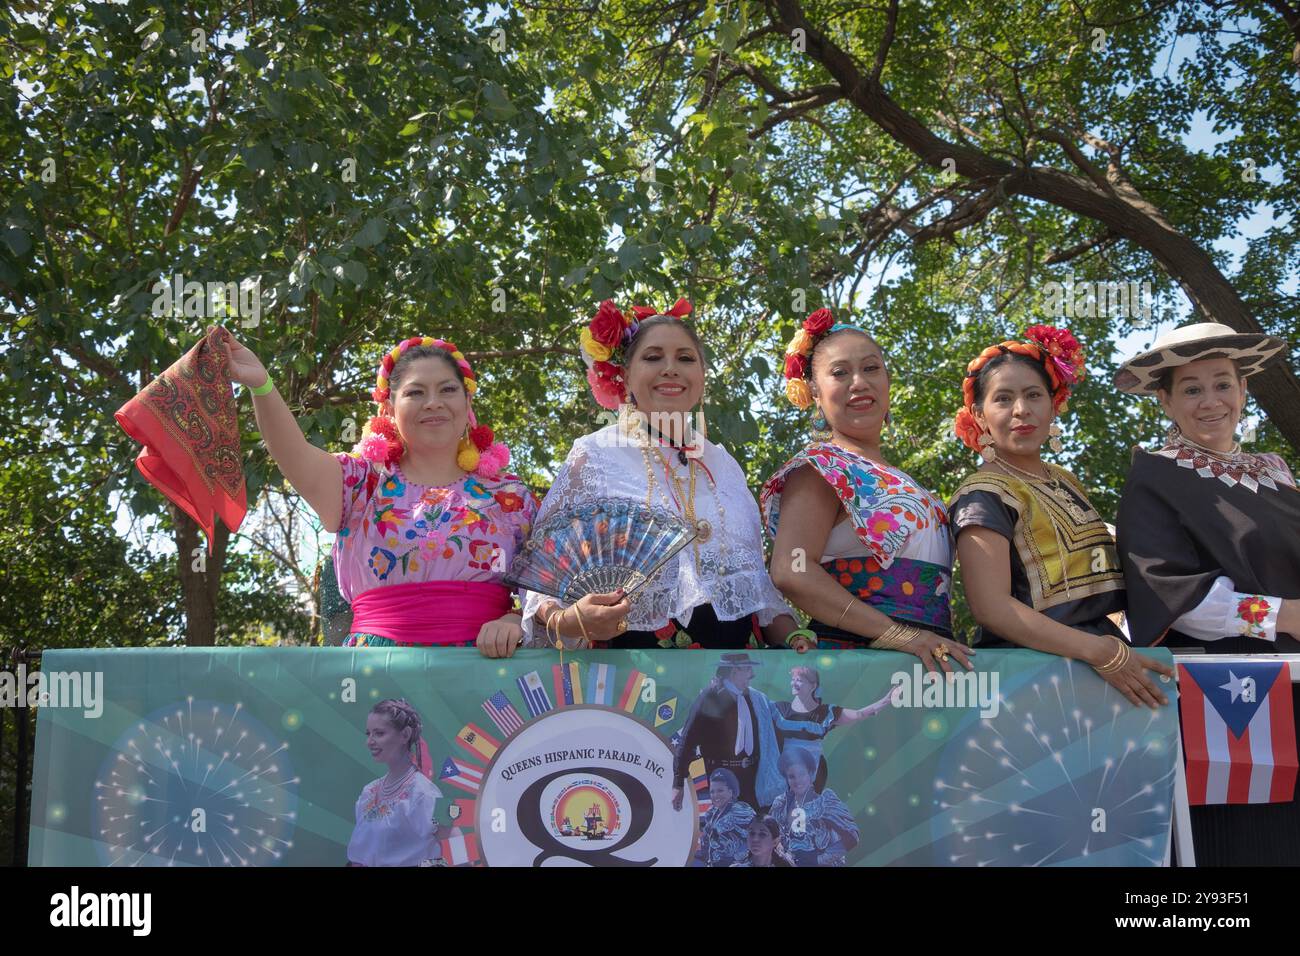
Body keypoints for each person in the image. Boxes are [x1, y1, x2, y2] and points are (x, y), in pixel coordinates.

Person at [223, 331, 538, 652]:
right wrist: (261, 385)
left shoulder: (510, 496)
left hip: (483, 672)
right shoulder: (360, 482)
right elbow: (293, 453)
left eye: (448, 389)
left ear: (467, 402)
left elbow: (547, 592)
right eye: (415, 392)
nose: (434, 403)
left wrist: (515, 619)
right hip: (375, 672)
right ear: (388, 409)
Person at [1115, 321, 1300, 865]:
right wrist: (1286, 615)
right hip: (1228, 692)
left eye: (1223, 384)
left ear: (1244, 391)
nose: (1210, 401)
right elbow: (1172, 592)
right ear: (1166, 402)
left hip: (1296, 679)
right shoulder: (1153, 475)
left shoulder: (1276, 472)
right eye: (1191, 389)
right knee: (1243, 843)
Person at [520, 298, 801, 650]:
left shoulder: (724, 465)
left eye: (685, 358)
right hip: (631, 676)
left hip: (731, 678)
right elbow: (540, 576)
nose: (670, 368)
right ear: (624, 376)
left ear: (702, 375)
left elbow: (754, 588)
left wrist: (795, 636)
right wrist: (569, 620)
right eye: (653, 357)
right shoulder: (595, 454)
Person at [948, 325, 1172, 708]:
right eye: (1003, 399)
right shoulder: (982, 492)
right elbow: (991, 607)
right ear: (980, 415)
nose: (1021, 410)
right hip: (1031, 674)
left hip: (1103, 661)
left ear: (1055, 405)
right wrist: (1101, 653)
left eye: (1034, 395)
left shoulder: (1065, 480)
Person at [763, 309, 969, 671]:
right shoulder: (821, 467)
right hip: (856, 665)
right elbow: (789, 571)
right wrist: (897, 635)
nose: (858, 382)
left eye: (871, 368)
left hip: (929, 658)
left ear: (888, 381)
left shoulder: (909, 483)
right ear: (814, 391)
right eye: (840, 373)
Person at [672, 653, 782, 811]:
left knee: (752, 824)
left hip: (753, 778)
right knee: (726, 825)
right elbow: (688, 739)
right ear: (733, 671)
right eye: (747, 669)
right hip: (722, 777)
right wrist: (678, 783)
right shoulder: (710, 697)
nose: (752, 674)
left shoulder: (755, 699)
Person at [347, 699, 443, 866]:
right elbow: (359, 857)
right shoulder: (368, 792)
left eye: (379, 733)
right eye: (368, 733)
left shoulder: (423, 794)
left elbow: (453, 838)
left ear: (405, 735)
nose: (369, 741)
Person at [772, 666, 897, 792]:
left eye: (799, 680)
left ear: (813, 686)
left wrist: (885, 701)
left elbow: (859, 714)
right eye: (793, 679)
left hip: (813, 774)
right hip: (785, 774)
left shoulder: (825, 713)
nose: (794, 683)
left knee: (808, 808)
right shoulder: (780, 709)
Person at [768, 747, 859, 866]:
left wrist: (819, 860)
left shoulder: (825, 801)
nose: (797, 781)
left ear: (811, 774)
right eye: (792, 776)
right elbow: (770, 837)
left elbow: (852, 837)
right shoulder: (780, 803)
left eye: (801, 774)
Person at [696, 768, 756, 866]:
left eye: (720, 790)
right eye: (712, 791)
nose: (715, 795)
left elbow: (754, 841)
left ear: (731, 791)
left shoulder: (742, 810)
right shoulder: (711, 813)